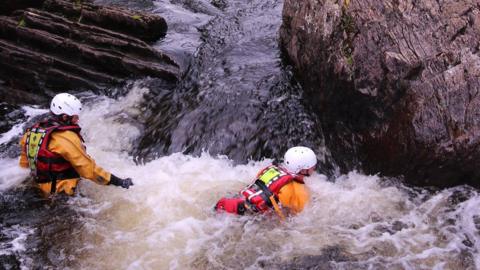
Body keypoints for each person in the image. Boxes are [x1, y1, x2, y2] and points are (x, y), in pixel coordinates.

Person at [19, 93, 134, 197]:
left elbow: (25, 164)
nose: (77, 120)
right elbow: (89, 170)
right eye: (75, 117)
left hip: (40, 187)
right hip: (62, 193)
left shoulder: (32, 132)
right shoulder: (66, 138)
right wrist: (119, 182)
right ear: (64, 117)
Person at [214, 146, 317, 219]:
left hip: (231, 203)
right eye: (312, 166)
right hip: (247, 218)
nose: (314, 168)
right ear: (302, 170)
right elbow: (295, 218)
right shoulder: (300, 192)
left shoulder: (270, 169)